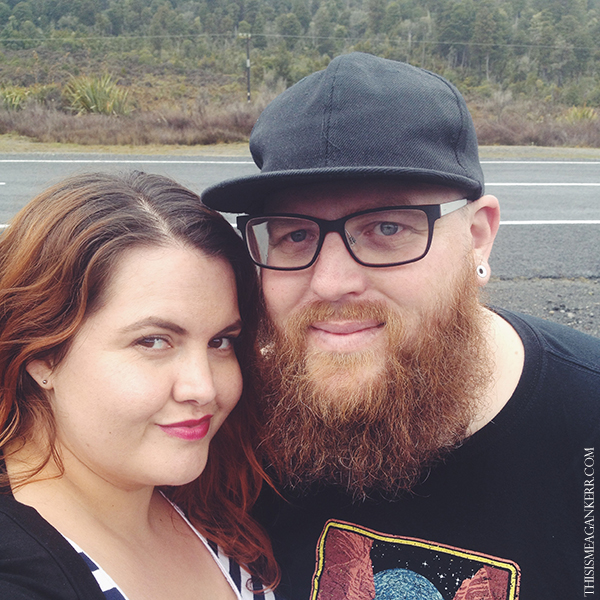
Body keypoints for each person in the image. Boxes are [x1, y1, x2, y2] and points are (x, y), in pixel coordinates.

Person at [201, 52, 600, 600]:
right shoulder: (223, 423)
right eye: (294, 234)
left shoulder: (586, 418)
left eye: (387, 227)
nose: (331, 282)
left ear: (479, 236)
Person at [0, 172, 280, 600]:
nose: (203, 388)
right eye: (153, 342)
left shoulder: (219, 496)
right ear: (42, 353)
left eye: (221, 341)